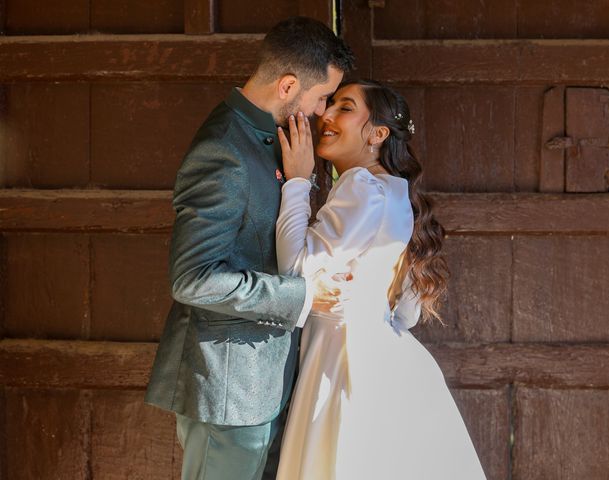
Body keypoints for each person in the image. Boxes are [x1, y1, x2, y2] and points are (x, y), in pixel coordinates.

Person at [144, 17, 355, 480]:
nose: (323, 111)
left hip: (264, 383)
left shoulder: (271, 139)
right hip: (228, 390)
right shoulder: (224, 150)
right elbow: (193, 278)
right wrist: (300, 295)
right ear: (287, 85)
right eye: (322, 97)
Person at [274, 80, 487, 479]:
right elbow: (406, 313)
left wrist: (298, 182)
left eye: (345, 108)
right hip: (388, 357)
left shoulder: (359, 186)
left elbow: (295, 269)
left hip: (343, 358)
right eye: (330, 104)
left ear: (377, 134)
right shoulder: (396, 194)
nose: (327, 115)